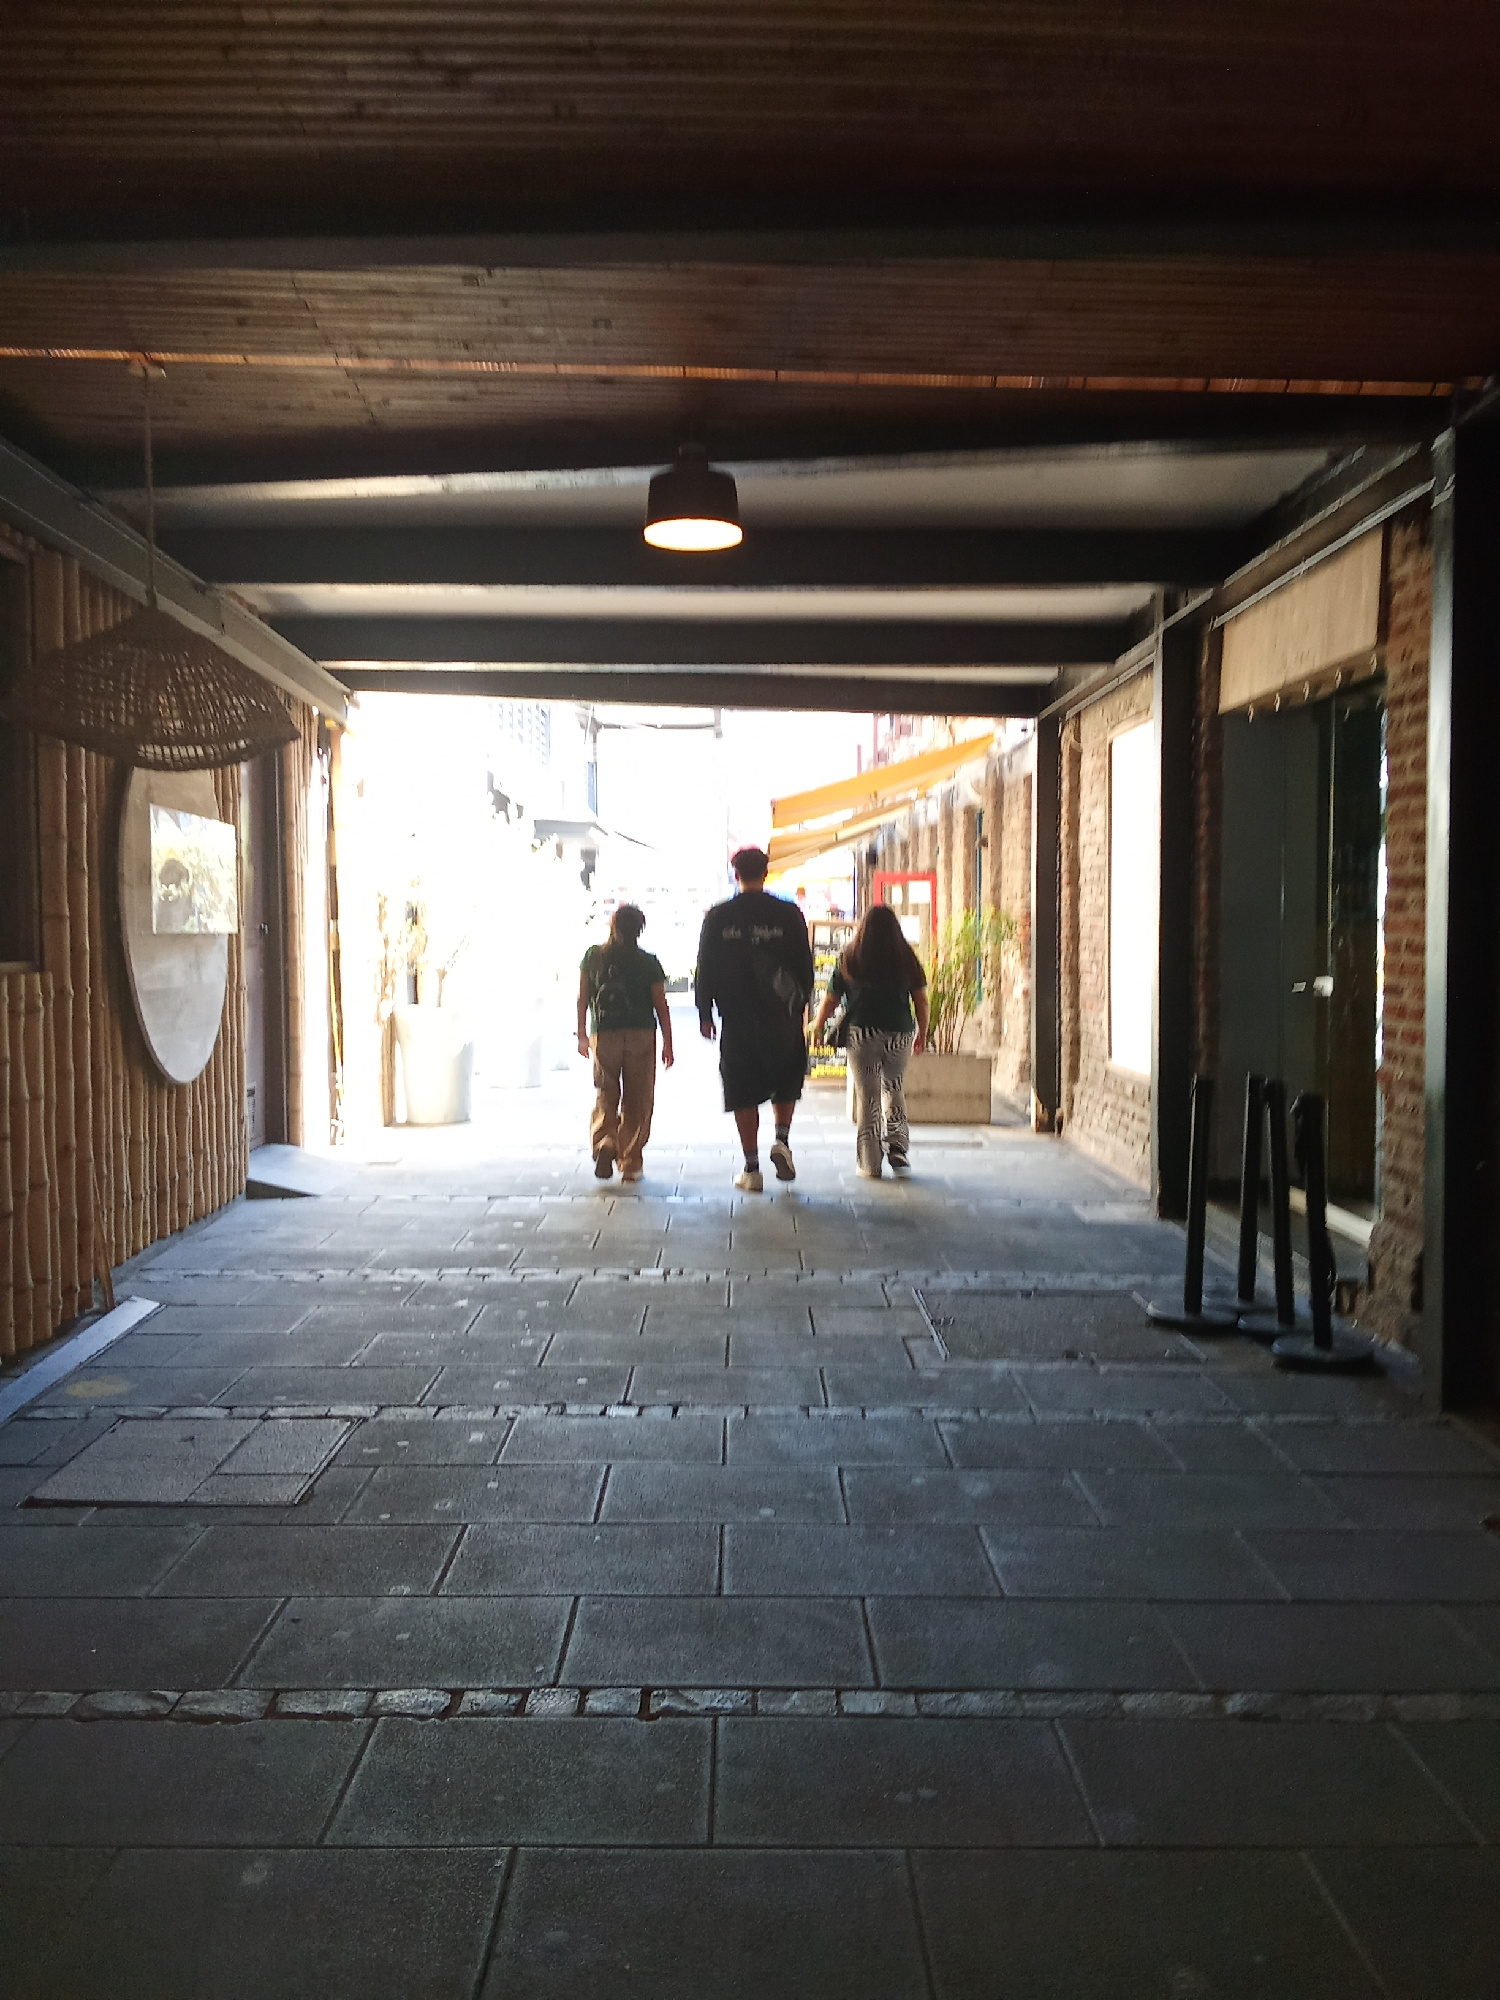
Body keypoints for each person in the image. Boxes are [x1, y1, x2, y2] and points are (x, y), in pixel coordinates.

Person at [694, 846, 814, 1191]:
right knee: (786, 1077)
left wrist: (705, 1013)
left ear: (736, 875)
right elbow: (804, 967)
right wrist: (799, 1005)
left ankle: (752, 1169)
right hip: (781, 1016)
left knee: (741, 1087)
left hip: (738, 1018)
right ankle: (782, 1140)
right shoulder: (789, 914)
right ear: (766, 873)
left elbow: (706, 967)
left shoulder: (718, 917)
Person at [811, 902, 929, 1179]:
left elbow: (831, 999)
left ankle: (870, 1163)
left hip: (862, 1032)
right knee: (893, 1086)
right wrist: (922, 1032)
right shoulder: (906, 957)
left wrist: (818, 1027)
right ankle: (898, 1146)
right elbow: (921, 999)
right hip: (899, 1031)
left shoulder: (850, 956)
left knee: (868, 1096)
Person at [576, 904, 673, 1184]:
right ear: (639, 929)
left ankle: (605, 1141)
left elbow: (582, 997)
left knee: (606, 1091)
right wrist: (668, 1042)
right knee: (638, 1098)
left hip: (604, 1033)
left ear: (612, 925)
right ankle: (630, 1161)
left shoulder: (593, 956)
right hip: (640, 1033)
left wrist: (582, 1033)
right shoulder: (648, 962)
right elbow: (661, 1005)